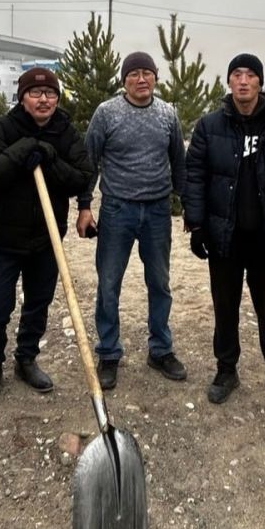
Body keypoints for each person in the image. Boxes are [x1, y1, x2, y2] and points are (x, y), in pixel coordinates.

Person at [183, 53, 265, 412]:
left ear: (259, 83)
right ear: (228, 82)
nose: (243, 81)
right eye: (236, 74)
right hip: (225, 238)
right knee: (225, 309)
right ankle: (226, 371)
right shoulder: (210, 126)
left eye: (250, 75)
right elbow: (196, 176)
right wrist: (196, 224)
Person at [0, 67, 92, 403]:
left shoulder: (66, 132)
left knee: (38, 304)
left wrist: (50, 158)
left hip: (46, 238)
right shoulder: (3, 128)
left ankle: (26, 359)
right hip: (4, 238)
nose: (44, 100)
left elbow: (82, 176)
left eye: (50, 94)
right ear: (22, 97)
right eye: (35, 93)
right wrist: (25, 148)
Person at [77, 51, 187, 390]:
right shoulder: (107, 113)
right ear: (124, 79)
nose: (141, 79)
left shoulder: (168, 114)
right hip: (116, 210)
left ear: (156, 77)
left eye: (147, 73)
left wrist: (188, 208)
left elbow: (178, 162)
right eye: (134, 73)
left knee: (160, 283)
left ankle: (161, 349)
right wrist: (84, 206)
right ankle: (109, 353)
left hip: (156, 211)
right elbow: (89, 161)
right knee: (109, 284)